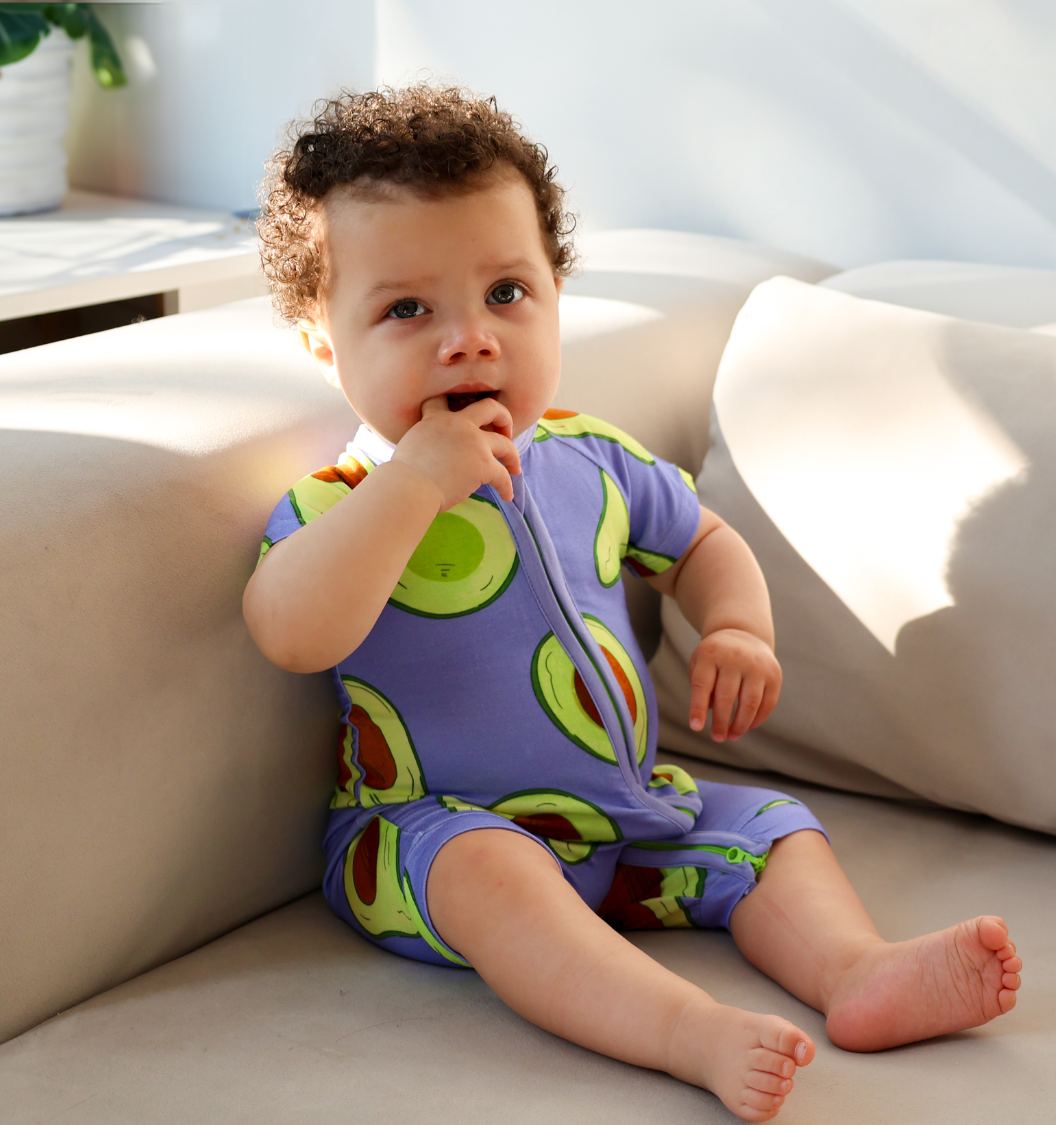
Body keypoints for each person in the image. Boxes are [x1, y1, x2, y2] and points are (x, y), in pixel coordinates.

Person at [243, 86, 1022, 1123]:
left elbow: (701, 540)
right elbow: (291, 630)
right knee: (493, 872)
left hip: (628, 818)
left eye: (506, 293)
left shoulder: (593, 460)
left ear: (555, 293)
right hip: (433, 836)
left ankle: (854, 969)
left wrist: (735, 624)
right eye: (407, 310)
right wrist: (414, 484)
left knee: (772, 828)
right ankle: (685, 1031)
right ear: (321, 340)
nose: (469, 340)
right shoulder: (341, 505)